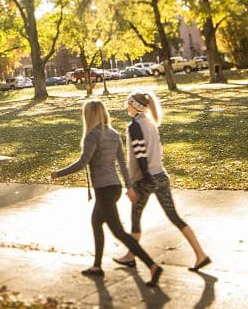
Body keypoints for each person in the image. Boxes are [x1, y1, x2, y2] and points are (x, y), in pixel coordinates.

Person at [51, 99, 163, 285]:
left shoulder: (93, 135)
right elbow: (123, 165)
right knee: (96, 222)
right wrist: (128, 188)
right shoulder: (113, 134)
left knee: (118, 232)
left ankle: (152, 266)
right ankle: (97, 267)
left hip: (104, 190)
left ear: (89, 115)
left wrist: (58, 173)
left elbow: (83, 162)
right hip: (114, 188)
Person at [114, 90, 211, 272]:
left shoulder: (134, 126)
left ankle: (130, 256)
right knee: (174, 217)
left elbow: (140, 154)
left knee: (135, 217)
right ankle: (200, 255)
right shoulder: (151, 123)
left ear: (135, 106)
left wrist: (139, 182)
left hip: (146, 178)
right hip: (161, 176)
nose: (126, 106)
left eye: (128, 103)